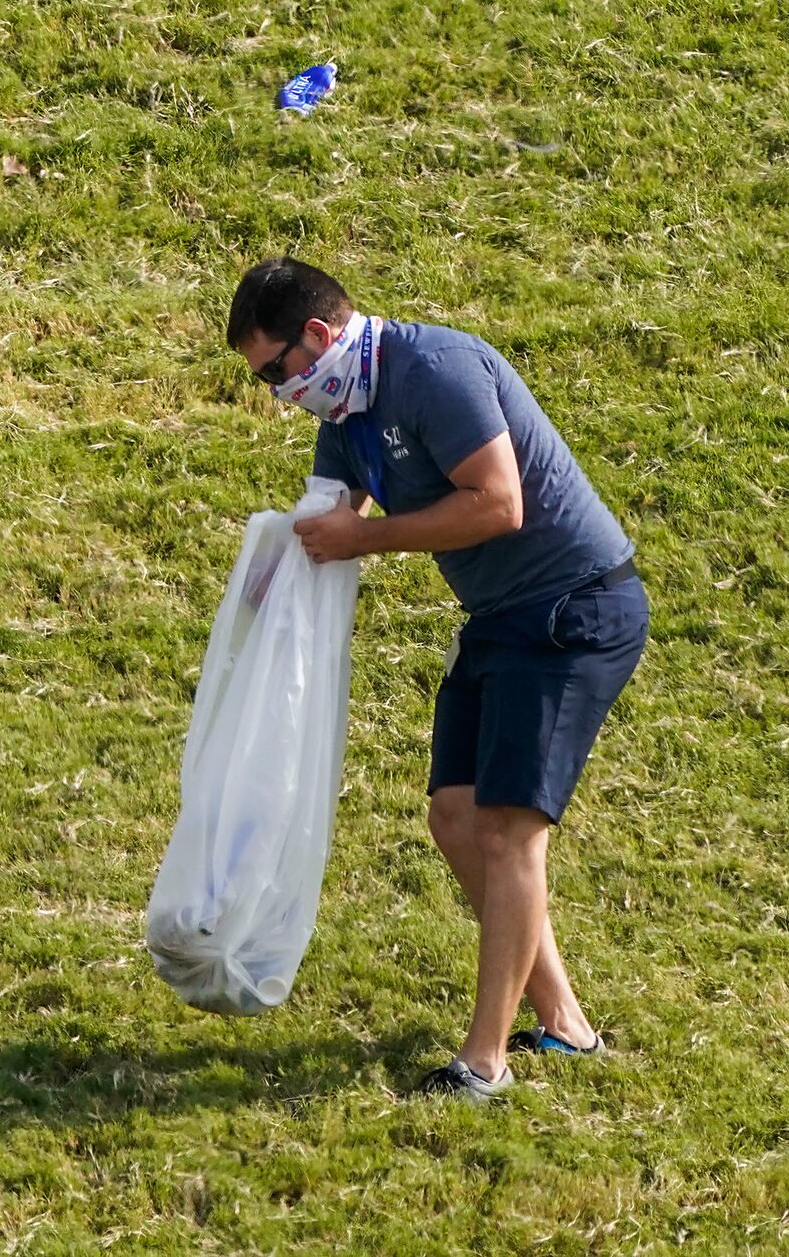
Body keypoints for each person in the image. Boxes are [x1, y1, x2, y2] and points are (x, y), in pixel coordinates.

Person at [224, 257, 646, 1102]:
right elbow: (329, 516)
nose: (278, 392)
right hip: (498, 619)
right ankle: (563, 1022)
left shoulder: (434, 368)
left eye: (276, 370)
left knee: (508, 831)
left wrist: (363, 541)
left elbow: (498, 504)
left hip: (573, 612)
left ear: (319, 335)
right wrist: (268, 580)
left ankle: (483, 1062)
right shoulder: (343, 408)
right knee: (455, 819)